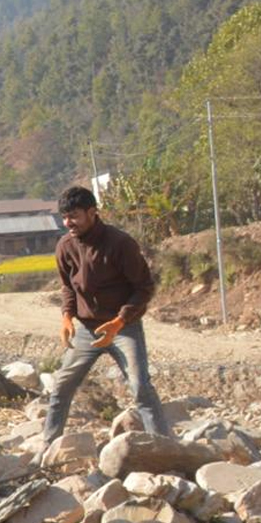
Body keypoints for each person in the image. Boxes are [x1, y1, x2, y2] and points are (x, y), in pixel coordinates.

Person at [41, 185, 168, 451]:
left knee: (140, 386)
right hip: (87, 329)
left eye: (74, 216)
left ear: (92, 212)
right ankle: (48, 448)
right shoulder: (65, 246)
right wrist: (67, 316)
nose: (68, 223)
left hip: (124, 328)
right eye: (64, 217)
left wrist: (120, 321)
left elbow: (144, 288)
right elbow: (67, 287)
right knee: (61, 388)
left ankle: (165, 448)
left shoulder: (121, 243)